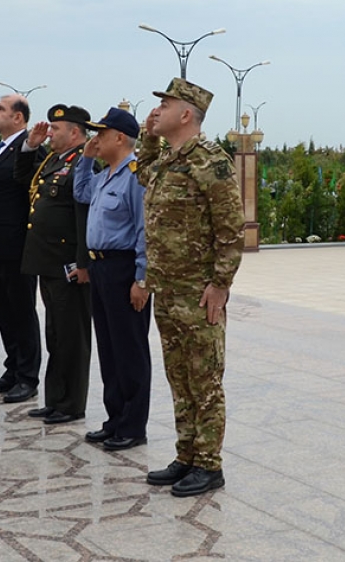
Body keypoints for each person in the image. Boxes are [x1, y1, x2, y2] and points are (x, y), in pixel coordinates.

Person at [139, 78, 245, 497]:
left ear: (186, 114)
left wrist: (220, 284)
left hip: (198, 293)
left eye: (165, 105)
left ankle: (209, 465)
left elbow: (231, 228)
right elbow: (143, 174)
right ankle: (186, 456)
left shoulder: (210, 161)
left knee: (205, 381)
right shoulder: (168, 160)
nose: (157, 110)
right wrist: (148, 137)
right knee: (179, 379)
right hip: (166, 290)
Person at [73, 107, 151, 449]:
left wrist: (141, 279)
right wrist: (86, 159)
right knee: (108, 348)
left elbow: (144, 230)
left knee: (129, 349)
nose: (96, 139)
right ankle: (115, 419)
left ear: (120, 138)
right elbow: (80, 192)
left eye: (101, 134)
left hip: (124, 269)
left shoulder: (135, 176)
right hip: (101, 268)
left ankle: (133, 427)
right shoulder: (105, 175)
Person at [16, 104, 92, 423]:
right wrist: (29, 147)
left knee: (71, 336)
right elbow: (24, 178)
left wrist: (83, 262)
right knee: (55, 335)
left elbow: (85, 217)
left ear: (74, 132)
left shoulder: (84, 163)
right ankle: (55, 399)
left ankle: (71, 404)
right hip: (47, 262)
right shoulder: (54, 160)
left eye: (56, 129)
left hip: (67, 263)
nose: (50, 133)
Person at [0, 94, 42, 404]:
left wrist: (31, 148)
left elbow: (30, 187)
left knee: (22, 314)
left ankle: (27, 377)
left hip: (17, 248)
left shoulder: (30, 148)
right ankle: (12, 369)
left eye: (1, 109)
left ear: (18, 117)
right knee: (4, 312)